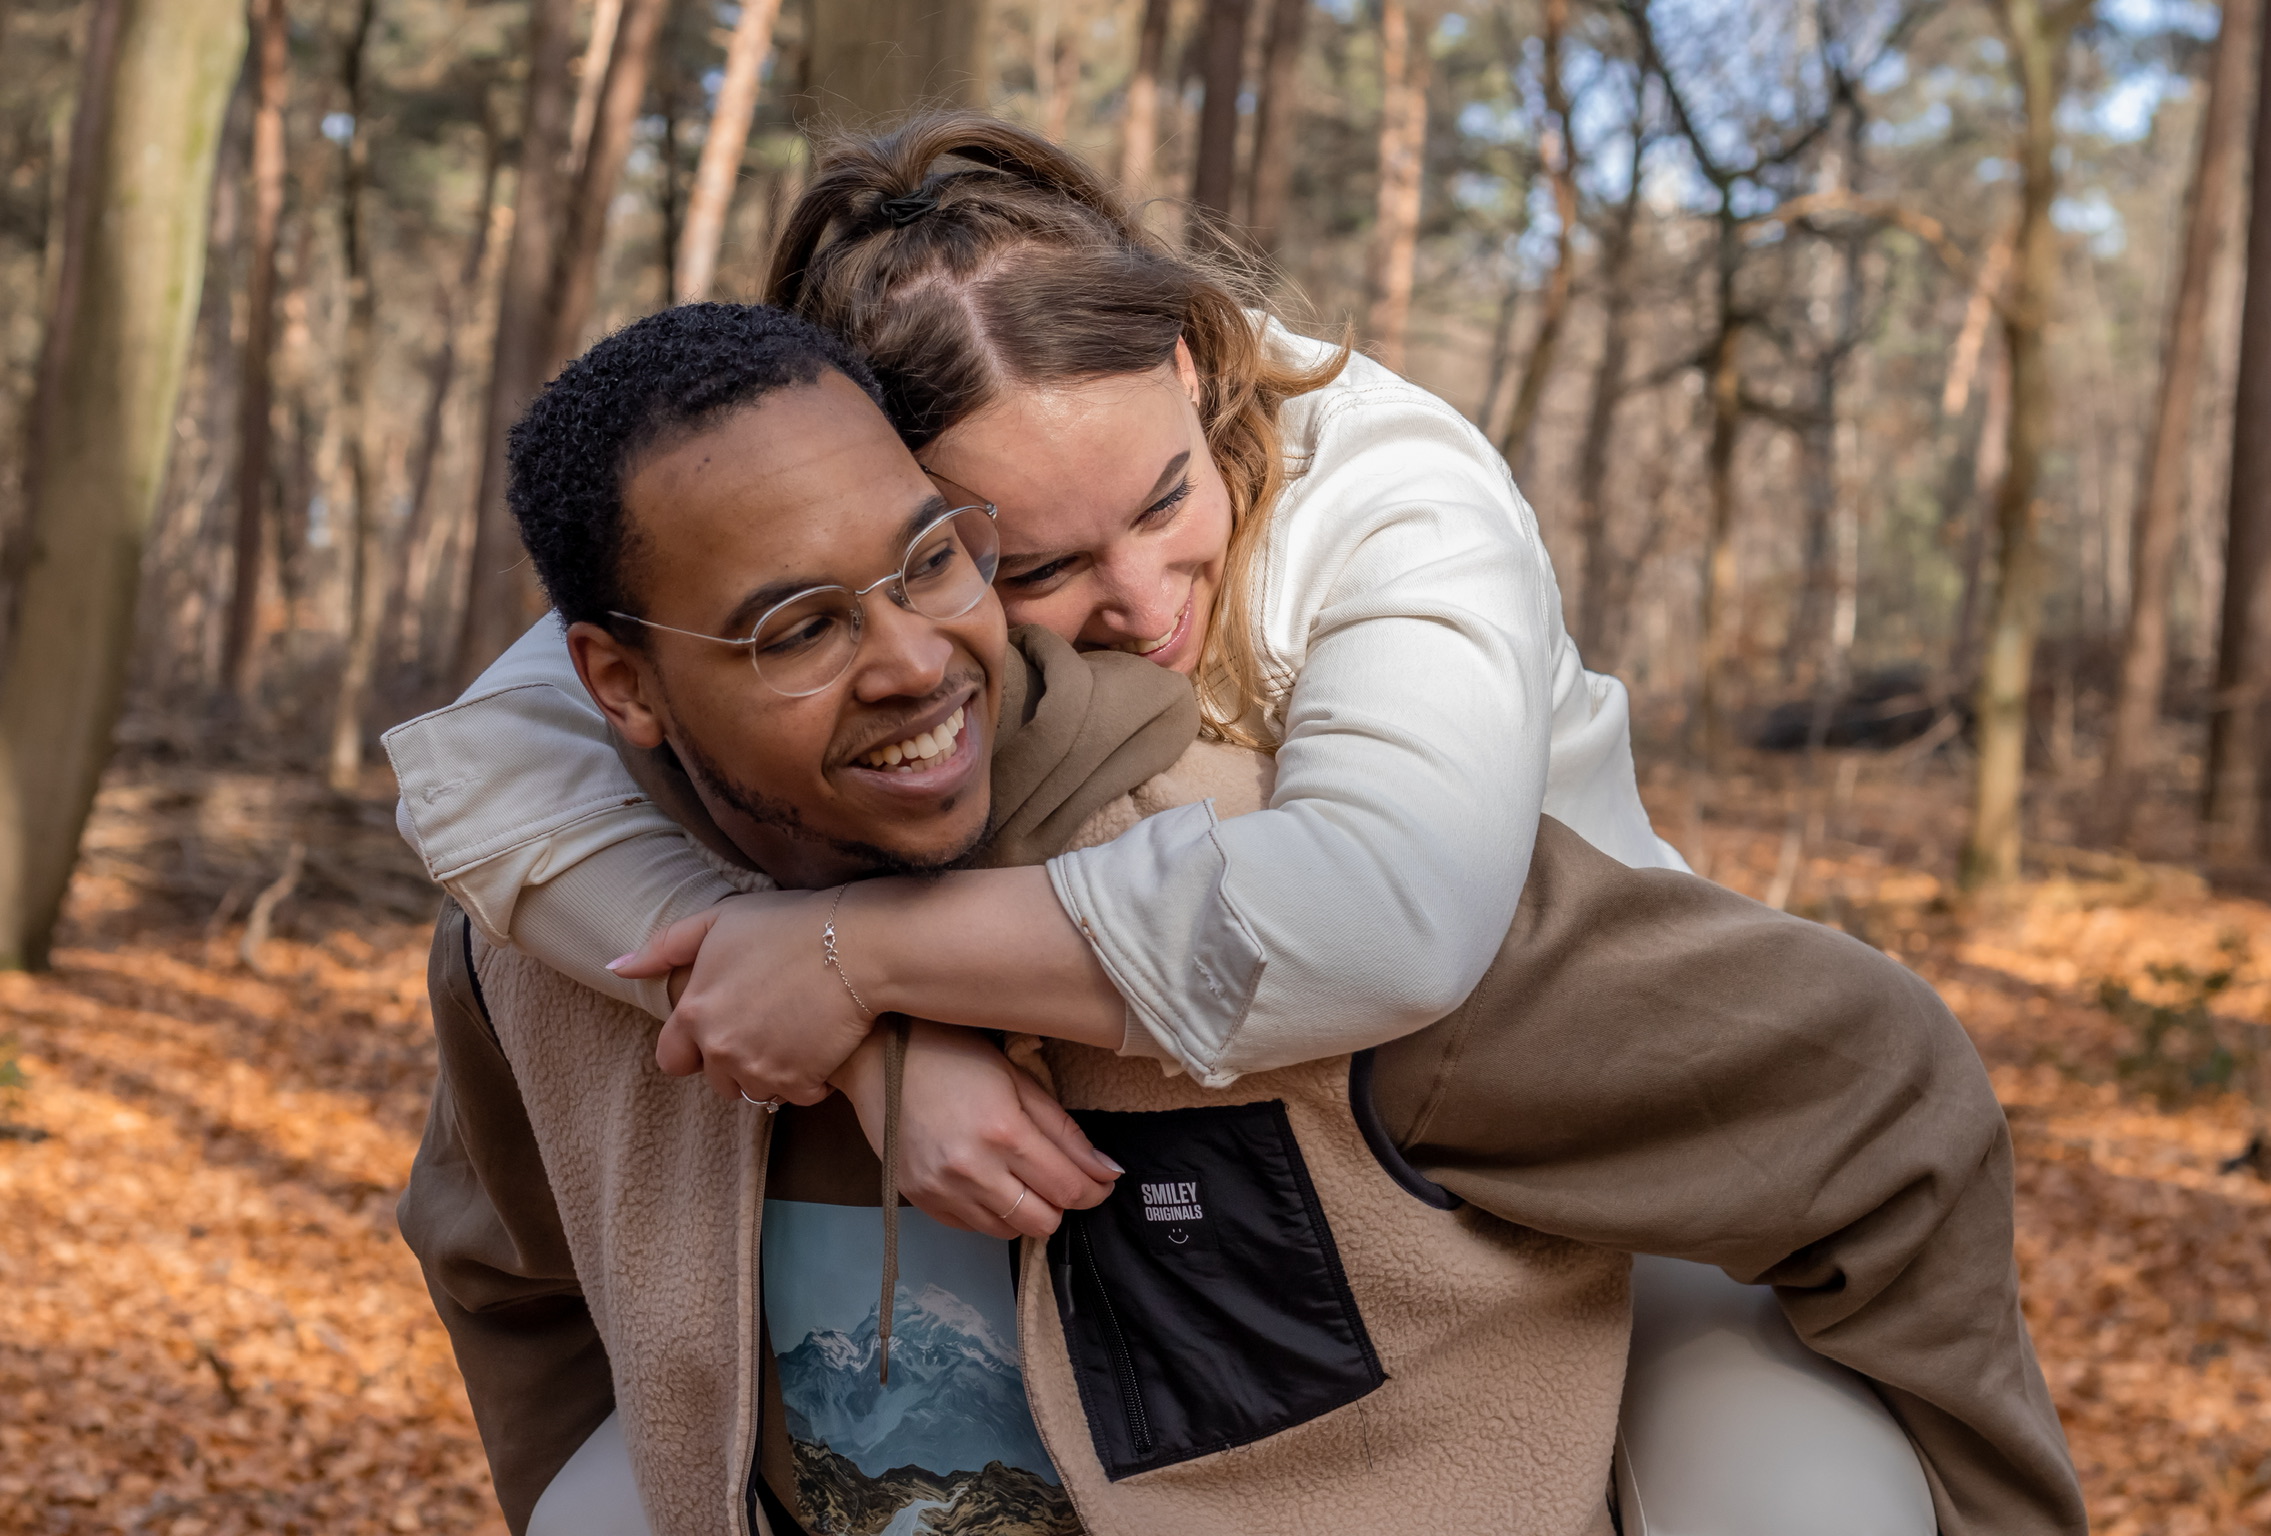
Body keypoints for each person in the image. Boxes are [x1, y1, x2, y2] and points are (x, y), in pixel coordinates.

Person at [399, 303, 2083, 1536]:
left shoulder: (1282, 888)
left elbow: (1871, 1083)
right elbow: (515, 1268)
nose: (913, 657)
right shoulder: (538, 952)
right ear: (609, 679)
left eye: (933, 563)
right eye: (792, 626)